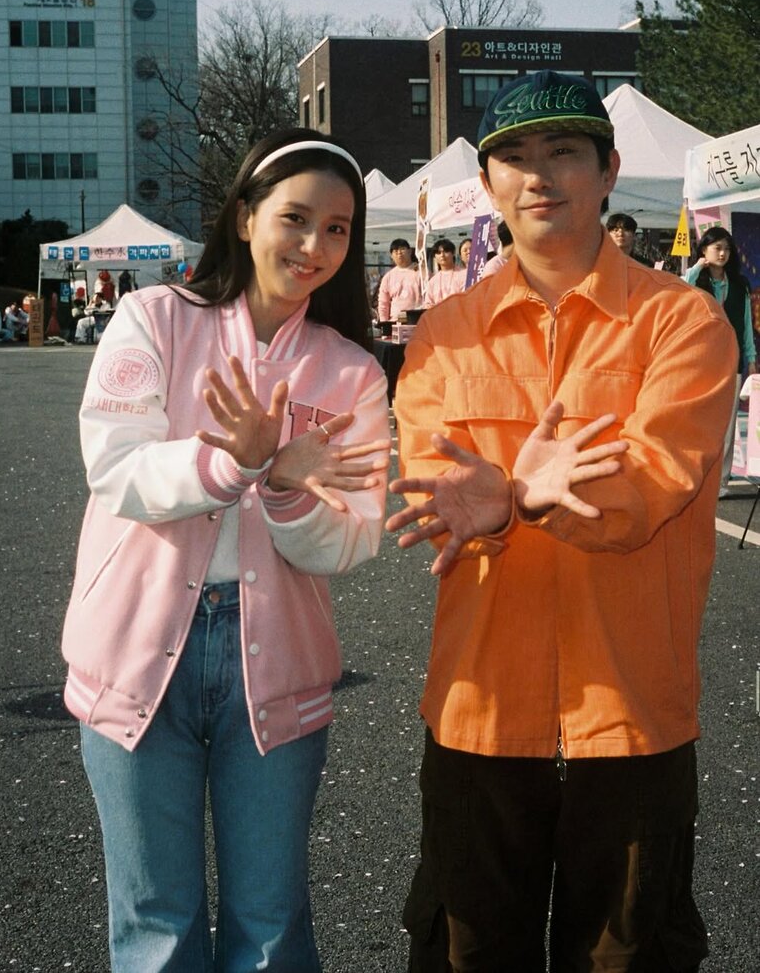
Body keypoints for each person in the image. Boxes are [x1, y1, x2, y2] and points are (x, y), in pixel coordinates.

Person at [387, 70, 737, 973]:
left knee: (628, 956)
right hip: (479, 708)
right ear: (489, 183)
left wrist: (512, 500)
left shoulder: (683, 323)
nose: (539, 175)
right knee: (466, 953)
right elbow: (437, 488)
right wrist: (503, 499)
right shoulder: (443, 334)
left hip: (631, 711)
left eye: (564, 151)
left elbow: (654, 480)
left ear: (609, 170)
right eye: (514, 157)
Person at [60, 128, 391, 973]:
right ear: (245, 217)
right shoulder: (154, 319)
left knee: (270, 926)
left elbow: (354, 534)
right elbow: (115, 467)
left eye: (338, 228)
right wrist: (232, 464)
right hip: (136, 649)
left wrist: (283, 491)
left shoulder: (352, 372)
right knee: (156, 926)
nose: (315, 246)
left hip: (276, 658)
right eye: (295, 218)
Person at [684, 225, 757, 497]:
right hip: (700, 360)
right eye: (717, 248)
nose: (723, 253)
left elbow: (746, 325)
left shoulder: (739, 285)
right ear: (704, 250)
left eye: (727, 248)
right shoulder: (697, 281)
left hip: (731, 360)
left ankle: (721, 481)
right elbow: (680, 289)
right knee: (698, 419)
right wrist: (696, 268)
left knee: (727, 424)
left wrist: (751, 359)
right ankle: (696, 475)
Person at [377, 238, 422, 321]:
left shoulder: (422, 272)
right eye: (395, 251)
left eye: (402, 249)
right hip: (396, 321)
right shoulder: (388, 277)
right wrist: (384, 323)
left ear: (410, 251)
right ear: (391, 255)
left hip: (417, 320)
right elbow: (383, 303)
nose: (399, 253)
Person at [425, 239, 466, 306]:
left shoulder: (464, 274)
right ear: (435, 257)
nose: (442, 255)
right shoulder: (432, 281)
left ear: (453, 253)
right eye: (438, 253)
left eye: (446, 251)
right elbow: (428, 304)